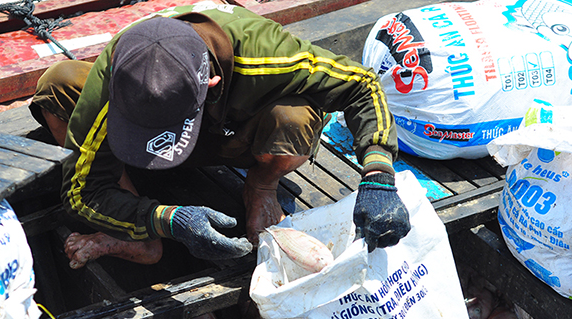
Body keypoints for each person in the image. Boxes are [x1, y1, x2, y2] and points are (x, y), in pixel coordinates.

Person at [29, 3, 410, 269]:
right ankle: (137, 231)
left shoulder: (266, 55)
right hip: (147, 152)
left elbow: (361, 85)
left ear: (210, 83)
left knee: (294, 115)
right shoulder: (118, 74)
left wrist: (378, 174)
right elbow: (80, 192)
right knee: (59, 82)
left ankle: (260, 187)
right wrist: (166, 219)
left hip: (231, 137)